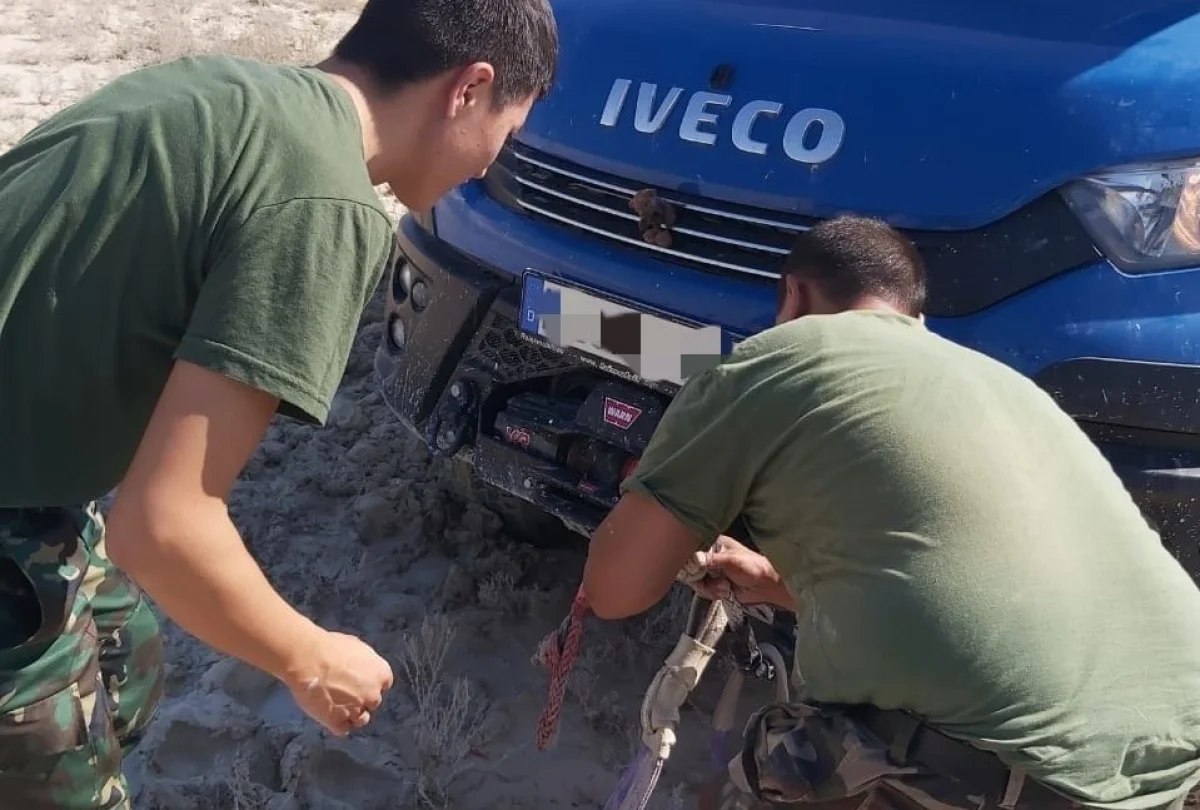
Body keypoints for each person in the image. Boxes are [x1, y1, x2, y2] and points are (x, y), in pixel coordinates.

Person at [0, 0, 558, 806]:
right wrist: (309, 657)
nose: (486, 168)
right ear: (469, 89)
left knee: (127, 663)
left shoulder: (223, 93)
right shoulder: (324, 202)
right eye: (507, 136)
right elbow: (163, 525)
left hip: (38, 475)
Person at [581, 216, 1200, 810]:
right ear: (914, 318)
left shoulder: (775, 356)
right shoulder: (1001, 384)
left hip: (1027, 778)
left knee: (766, 768)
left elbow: (615, 591)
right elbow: (981, 572)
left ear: (793, 297)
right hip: (1176, 749)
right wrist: (779, 584)